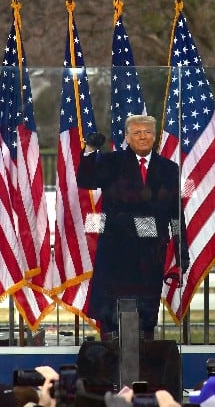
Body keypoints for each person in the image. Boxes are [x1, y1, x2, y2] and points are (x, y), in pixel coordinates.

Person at [77, 114, 186, 341]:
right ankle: (110, 343)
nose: (143, 137)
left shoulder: (170, 168)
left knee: (145, 314)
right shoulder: (110, 162)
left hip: (151, 250)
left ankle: (146, 347)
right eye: (137, 133)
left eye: (147, 132)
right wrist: (89, 150)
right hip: (117, 247)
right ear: (127, 137)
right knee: (112, 312)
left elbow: (177, 212)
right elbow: (86, 180)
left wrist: (181, 250)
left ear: (155, 136)